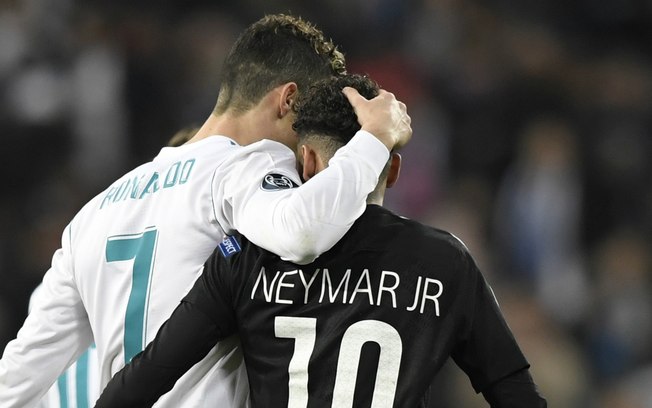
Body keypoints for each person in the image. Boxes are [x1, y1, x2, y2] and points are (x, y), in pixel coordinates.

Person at [0, 14, 412, 408]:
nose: (306, 151)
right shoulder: (244, 167)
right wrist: (375, 139)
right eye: (308, 125)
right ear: (288, 100)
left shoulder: (93, 214)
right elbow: (304, 232)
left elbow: (17, 378)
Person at [94, 74, 546, 407]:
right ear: (392, 170)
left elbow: (145, 378)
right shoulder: (444, 260)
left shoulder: (245, 255)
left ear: (306, 161)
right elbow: (515, 393)